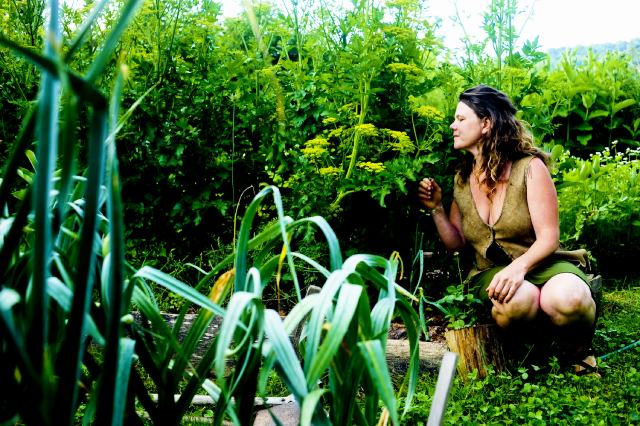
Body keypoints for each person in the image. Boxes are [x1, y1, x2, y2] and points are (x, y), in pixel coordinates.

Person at [418, 84, 597, 372]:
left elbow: (549, 238)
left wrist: (518, 268)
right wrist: (437, 208)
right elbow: (456, 242)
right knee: (518, 299)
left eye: (461, 119)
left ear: (486, 123)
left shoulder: (529, 168)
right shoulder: (462, 179)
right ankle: (534, 352)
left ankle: (579, 352)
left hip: (543, 263)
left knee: (568, 298)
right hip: (489, 272)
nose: (453, 126)